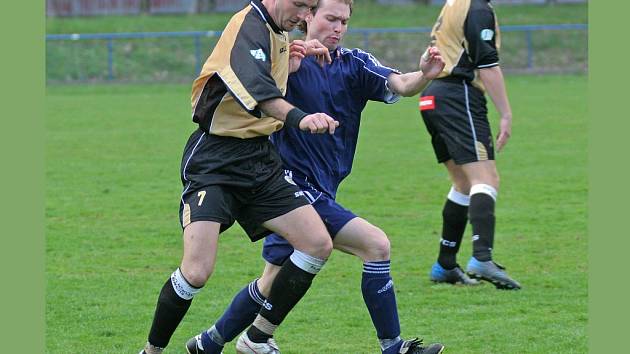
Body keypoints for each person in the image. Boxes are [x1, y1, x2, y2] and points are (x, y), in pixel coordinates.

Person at [184, 1, 446, 353]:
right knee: (376, 246)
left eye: (344, 21)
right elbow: (253, 90)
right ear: (308, 16)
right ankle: (392, 346)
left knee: (270, 282)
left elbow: (400, 84)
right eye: (331, 18)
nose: (338, 27)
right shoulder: (286, 62)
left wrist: (425, 74)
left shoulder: (355, 65)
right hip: (286, 186)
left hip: (321, 190)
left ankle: (209, 342)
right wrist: (292, 63)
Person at [139, 1, 344, 353]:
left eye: (311, 7)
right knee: (197, 271)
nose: (304, 15)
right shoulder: (248, 25)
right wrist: (301, 118)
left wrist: (291, 62)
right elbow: (259, 92)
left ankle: (257, 338)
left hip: (259, 160)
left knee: (316, 244)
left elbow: (268, 76)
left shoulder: (278, 30)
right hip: (215, 160)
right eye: (300, 5)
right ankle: (151, 351)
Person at [419, 0, 521, 290]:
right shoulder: (477, 8)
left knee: (464, 184)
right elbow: (487, 64)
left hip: (432, 97)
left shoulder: (454, 4)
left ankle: (445, 264)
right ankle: (482, 258)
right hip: (457, 95)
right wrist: (506, 114)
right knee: (486, 179)